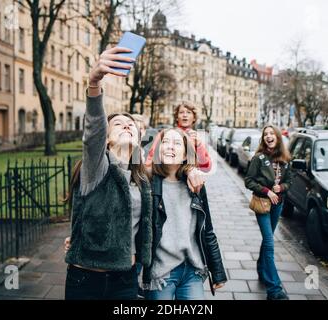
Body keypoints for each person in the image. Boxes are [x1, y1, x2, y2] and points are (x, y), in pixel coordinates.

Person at [64, 46, 205, 300]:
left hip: (126, 280)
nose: (127, 125)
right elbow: (93, 130)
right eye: (118, 124)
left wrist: (191, 169)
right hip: (87, 280)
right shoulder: (97, 167)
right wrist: (94, 83)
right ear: (106, 140)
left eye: (131, 124)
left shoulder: (141, 176)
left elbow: (172, 164)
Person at [142, 128, 227, 300]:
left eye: (177, 143)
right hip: (161, 272)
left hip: (192, 269)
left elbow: (207, 229)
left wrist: (217, 270)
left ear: (185, 154)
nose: (170, 147)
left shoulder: (196, 185)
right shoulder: (148, 184)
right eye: (165, 142)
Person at [244, 125, 292, 300]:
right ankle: (274, 289)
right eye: (266, 134)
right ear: (263, 139)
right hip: (263, 204)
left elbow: (290, 180)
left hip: (278, 205)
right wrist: (267, 191)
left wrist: (282, 187)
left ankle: (261, 268)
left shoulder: (285, 159)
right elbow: (248, 181)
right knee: (270, 244)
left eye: (272, 134)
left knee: (267, 239)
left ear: (278, 137)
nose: (269, 136)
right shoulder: (258, 158)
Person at [145, 102, 212, 173]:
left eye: (188, 112)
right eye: (181, 112)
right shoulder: (165, 134)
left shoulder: (196, 138)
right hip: (165, 176)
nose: (185, 115)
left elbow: (206, 168)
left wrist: (199, 146)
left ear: (194, 118)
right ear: (176, 117)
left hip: (188, 181)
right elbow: (151, 158)